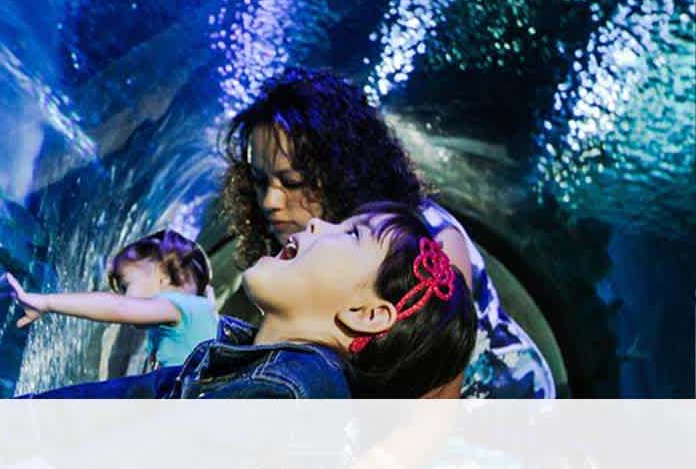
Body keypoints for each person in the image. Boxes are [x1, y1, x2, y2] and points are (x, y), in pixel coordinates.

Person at [219, 67, 555, 398]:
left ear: (340, 169)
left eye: (292, 182)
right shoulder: (299, 245)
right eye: (260, 181)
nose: (270, 201)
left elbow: (437, 408)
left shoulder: (430, 242)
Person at [20, 203, 477, 399]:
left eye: (352, 234)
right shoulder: (245, 359)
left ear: (366, 313)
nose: (317, 223)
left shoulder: (291, 391)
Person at [7, 229, 218, 370]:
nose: (125, 297)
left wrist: (48, 303)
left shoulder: (179, 307)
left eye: (127, 286)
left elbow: (118, 307)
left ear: (162, 276)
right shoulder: (193, 314)